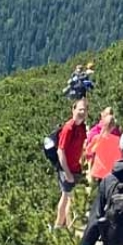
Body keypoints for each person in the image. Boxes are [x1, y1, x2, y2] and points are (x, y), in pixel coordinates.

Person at [54, 98, 89, 230]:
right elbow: (60, 151)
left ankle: (65, 225)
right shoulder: (69, 128)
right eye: (80, 109)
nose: (82, 112)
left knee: (69, 197)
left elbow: (82, 146)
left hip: (75, 168)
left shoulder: (81, 127)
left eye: (85, 110)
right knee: (67, 196)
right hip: (67, 169)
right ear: (73, 110)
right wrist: (67, 173)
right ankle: (60, 226)